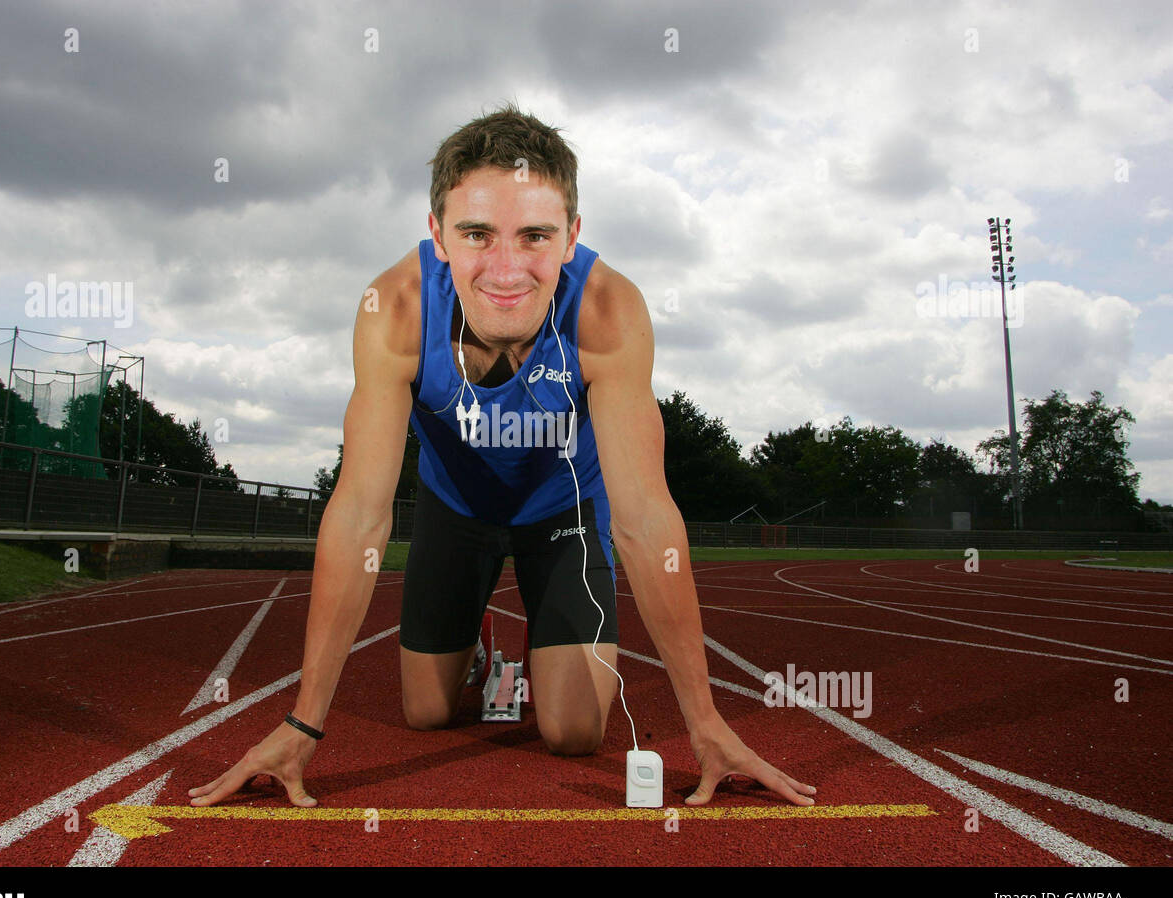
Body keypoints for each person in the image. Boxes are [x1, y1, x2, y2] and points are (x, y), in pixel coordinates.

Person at [189, 104, 816, 810]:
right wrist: (302, 724)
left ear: (573, 237)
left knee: (575, 731)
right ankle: (481, 653)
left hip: (563, 511)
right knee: (425, 713)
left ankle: (534, 648)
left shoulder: (608, 309)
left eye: (536, 237)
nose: (507, 268)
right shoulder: (393, 308)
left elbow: (643, 516)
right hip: (455, 510)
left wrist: (705, 725)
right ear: (438, 235)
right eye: (477, 234)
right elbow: (360, 513)